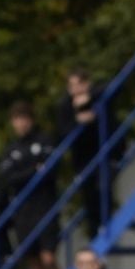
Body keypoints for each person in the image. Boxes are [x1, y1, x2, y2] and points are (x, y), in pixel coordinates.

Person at [0, 101, 62, 269]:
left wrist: (26, 174)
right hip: (23, 211)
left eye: (24, 119)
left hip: (45, 206)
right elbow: (8, 178)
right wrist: (33, 171)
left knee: (48, 257)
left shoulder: (44, 141)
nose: (21, 124)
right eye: (17, 120)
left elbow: (50, 171)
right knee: (32, 260)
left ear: (31, 120)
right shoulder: (11, 149)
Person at [56, 66, 112, 240]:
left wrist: (88, 100)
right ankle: (95, 230)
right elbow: (63, 132)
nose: (76, 89)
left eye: (80, 84)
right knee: (88, 193)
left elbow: (110, 89)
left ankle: (106, 223)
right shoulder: (65, 106)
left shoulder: (98, 95)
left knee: (104, 187)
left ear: (87, 84)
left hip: (104, 151)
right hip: (82, 156)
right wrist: (78, 120)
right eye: (72, 86)